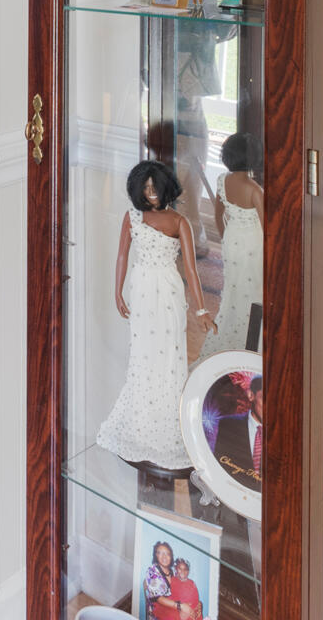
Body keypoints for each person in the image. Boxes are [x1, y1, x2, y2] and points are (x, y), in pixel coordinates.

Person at [95, 148, 211, 473]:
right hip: (142, 289)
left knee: (169, 352)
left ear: (166, 187)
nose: (151, 194)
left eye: (155, 187)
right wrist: (117, 290)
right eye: (145, 189)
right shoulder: (132, 218)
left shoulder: (180, 222)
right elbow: (122, 255)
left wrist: (201, 310)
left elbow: (191, 270)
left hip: (168, 292)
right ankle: (141, 420)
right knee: (143, 353)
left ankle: (169, 420)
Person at [198, 132, 262, 360]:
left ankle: (230, 341)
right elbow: (268, 228)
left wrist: (226, 239)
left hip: (232, 241)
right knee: (254, 293)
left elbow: (218, 215)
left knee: (234, 291)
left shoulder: (222, 180)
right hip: (253, 244)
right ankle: (250, 345)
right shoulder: (254, 190)